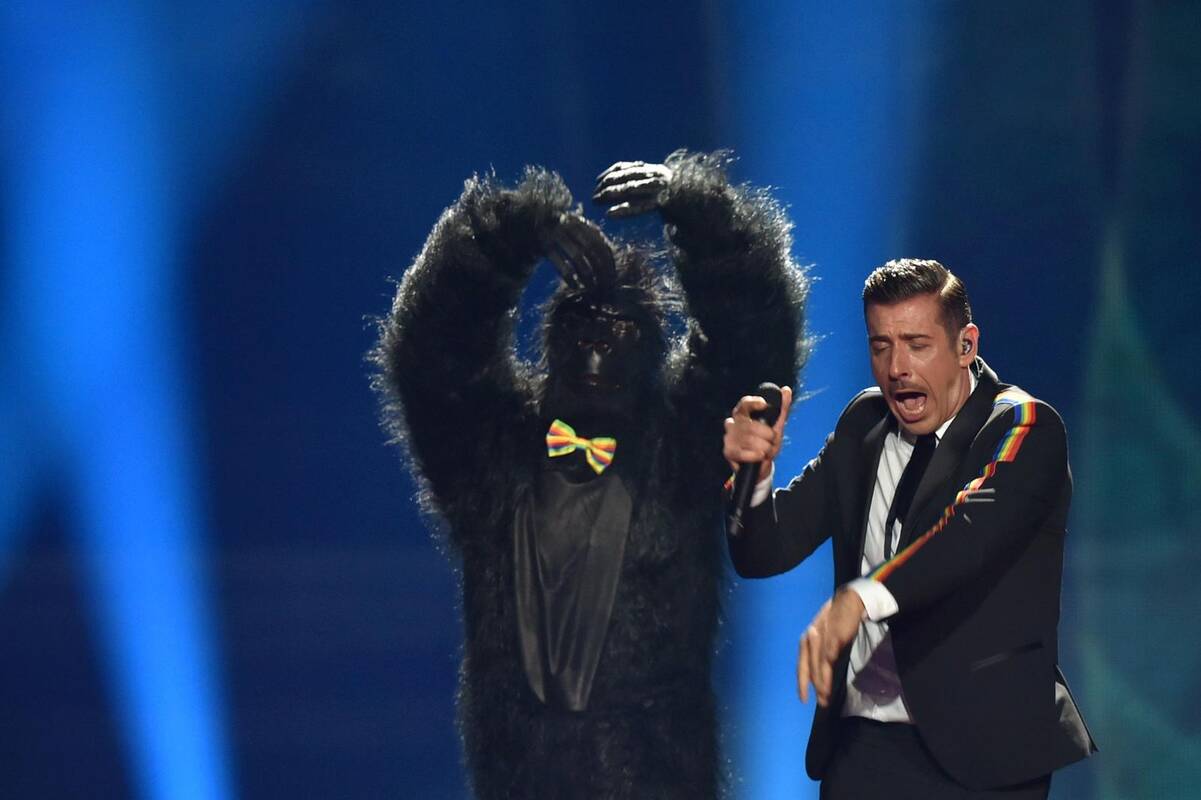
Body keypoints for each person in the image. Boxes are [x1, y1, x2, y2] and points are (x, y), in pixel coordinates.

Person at [373, 153, 807, 798]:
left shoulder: (682, 454)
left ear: (647, 350)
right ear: (553, 344)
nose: (598, 348)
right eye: (583, 331)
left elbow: (753, 347)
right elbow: (433, 356)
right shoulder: (493, 455)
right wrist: (506, 236)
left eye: (620, 332)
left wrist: (699, 213)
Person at [723, 259, 1094, 798]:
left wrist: (861, 599)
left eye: (917, 345)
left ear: (966, 345)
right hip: (861, 750)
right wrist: (752, 474)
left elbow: (968, 534)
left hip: (983, 757)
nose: (897, 367)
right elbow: (764, 551)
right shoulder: (864, 424)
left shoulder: (1023, 425)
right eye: (881, 346)